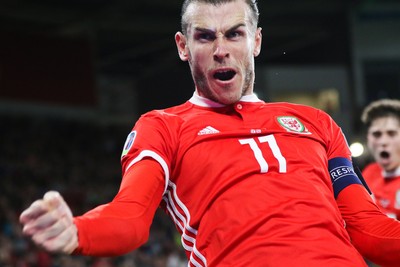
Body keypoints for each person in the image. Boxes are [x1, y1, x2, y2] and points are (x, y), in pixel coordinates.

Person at [18, 1, 400, 266]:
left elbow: (370, 230)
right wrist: (78, 232)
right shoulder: (163, 127)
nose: (221, 50)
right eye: (205, 37)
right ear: (183, 47)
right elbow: (130, 217)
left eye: (235, 34)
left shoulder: (317, 123)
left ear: (257, 41)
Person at [361, 99, 400, 219]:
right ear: (368, 138)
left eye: (391, 133)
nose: (383, 142)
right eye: (376, 134)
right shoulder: (368, 174)